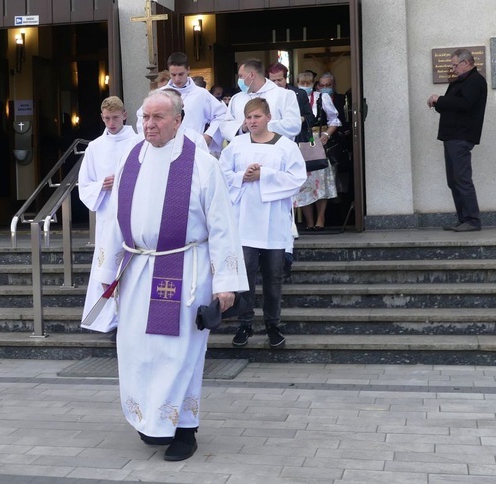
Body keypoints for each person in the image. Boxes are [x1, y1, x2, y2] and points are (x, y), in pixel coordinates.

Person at [96, 90, 248, 461]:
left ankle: (184, 429)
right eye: (145, 117)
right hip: (137, 270)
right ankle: (152, 421)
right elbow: (116, 219)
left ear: (178, 121)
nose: (149, 124)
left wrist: (226, 282)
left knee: (177, 354)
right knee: (138, 350)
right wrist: (106, 268)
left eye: (159, 117)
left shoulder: (200, 164)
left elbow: (223, 226)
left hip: (183, 270)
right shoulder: (132, 157)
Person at [219, 98, 306, 349]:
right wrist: (242, 177)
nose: (252, 122)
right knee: (244, 277)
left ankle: (273, 325)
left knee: (273, 277)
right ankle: (244, 324)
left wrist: (264, 175)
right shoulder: (236, 145)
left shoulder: (285, 146)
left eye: (256, 117)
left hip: (274, 223)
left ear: (268, 117)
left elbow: (297, 178)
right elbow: (221, 174)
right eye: (248, 118)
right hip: (244, 222)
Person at [78, 96, 138, 334]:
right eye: (106, 118)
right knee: (106, 264)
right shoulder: (95, 147)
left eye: (115, 117)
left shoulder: (138, 142)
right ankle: (107, 318)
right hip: (106, 215)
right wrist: (101, 185)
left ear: (124, 114)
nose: (111, 123)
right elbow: (84, 185)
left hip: (134, 213)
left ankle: (131, 317)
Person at [427, 48, 487, 232]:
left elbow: (466, 104)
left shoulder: (475, 81)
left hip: (462, 135)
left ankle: (472, 220)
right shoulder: (458, 82)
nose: (453, 69)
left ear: (466, 62)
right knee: (453, 180)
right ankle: (462, 218)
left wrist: (440, 99)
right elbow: (449, 106)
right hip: (451, 135)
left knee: (462, 179)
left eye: (455, 65)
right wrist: (439, 103)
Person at [137, 52, 226, 153]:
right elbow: (142, 116)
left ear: (188, 69)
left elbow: (222, 114)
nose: (177, 79)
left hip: (193, 146)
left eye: (181, 74)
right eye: (173, 75)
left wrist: (209, 135)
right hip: (164, 147)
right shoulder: (159, 94)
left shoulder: (201, 94)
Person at [293, 71, 342, 231]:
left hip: (318, 140)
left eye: (308, 83)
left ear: (314, 84)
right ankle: (309, 221)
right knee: (304, 183)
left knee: (320, 181)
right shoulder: (292, 98)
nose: (305, 86)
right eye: (302, 83)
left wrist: (327, 135)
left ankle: (320, 218)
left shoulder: (322, 98)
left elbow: (334, 119)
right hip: (300, 141)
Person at [220, 58, 301, 142]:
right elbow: (225, 126)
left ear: (252, 75)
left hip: (275, 149)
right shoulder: (236, 98)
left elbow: (293, 125)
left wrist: (261, 126)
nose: (239, 80)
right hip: (244, 150)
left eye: (241, 76)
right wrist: (242, 128)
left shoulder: (284, 95)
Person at [267, 62, 315, 143]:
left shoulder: (300, 94)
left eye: (279, 80)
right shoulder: (264, 95)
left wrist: (300, 119)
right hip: (272, 139)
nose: (276, 83)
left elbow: (311, 118)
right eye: (273, 80)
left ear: (286, 78)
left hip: (296, 139)